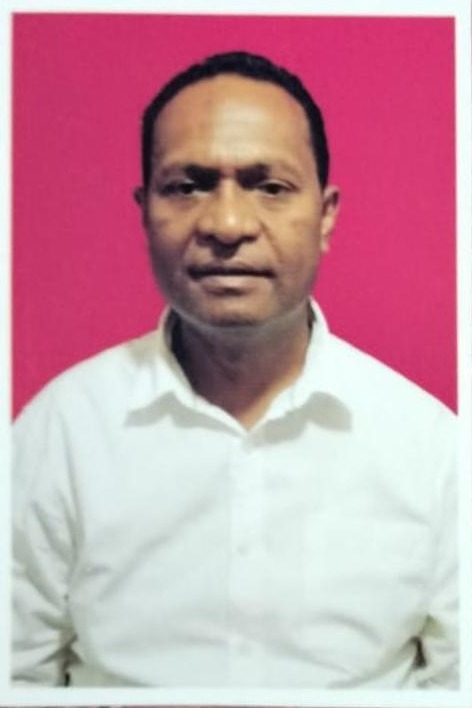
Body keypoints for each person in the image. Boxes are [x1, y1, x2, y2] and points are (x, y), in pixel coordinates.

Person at [12, 51, 457, 689]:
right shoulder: (60, 433)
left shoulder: (432, 448)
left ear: (326, 215)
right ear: (144, 210)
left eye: (269, 187)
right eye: (187, 185)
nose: (226, 224)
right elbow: (16, 676)